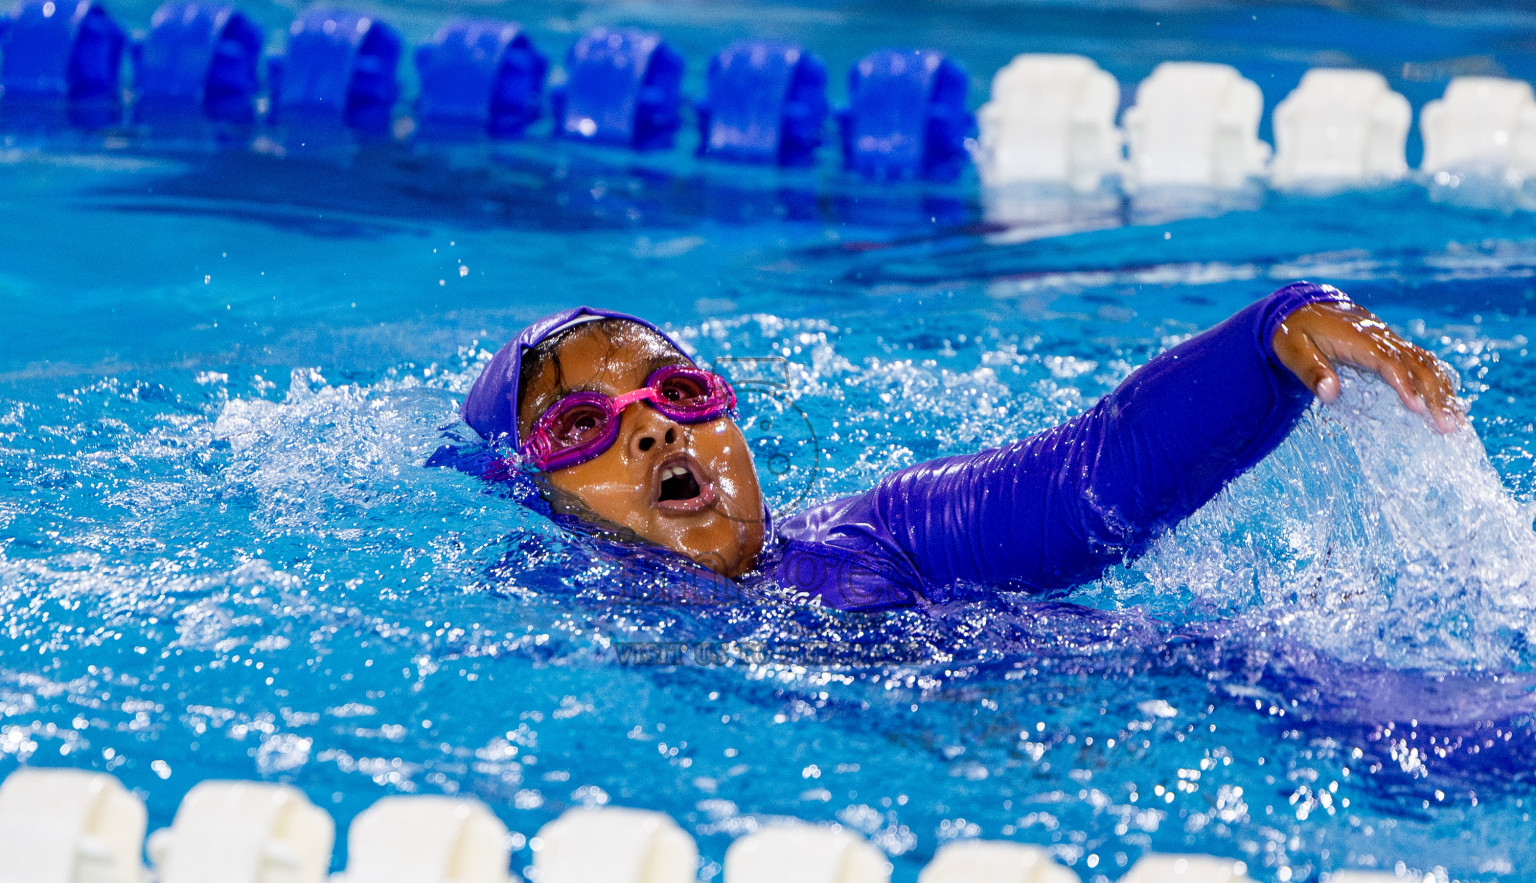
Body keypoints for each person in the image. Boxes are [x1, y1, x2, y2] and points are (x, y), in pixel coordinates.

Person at [460, 283, 1461, 610]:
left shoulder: (877, 540)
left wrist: (1277, 333)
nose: (651, 421)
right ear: (534, 492)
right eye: (582, 425)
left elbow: (1086, 483)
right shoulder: (535, 626)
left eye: (679, 390)